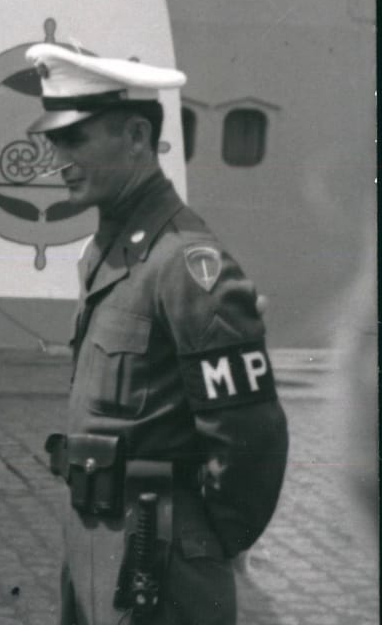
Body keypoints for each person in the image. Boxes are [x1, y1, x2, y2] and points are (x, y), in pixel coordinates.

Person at [26, 43, 289, 625]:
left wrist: (202, 544)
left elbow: (250, 435)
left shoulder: (187, 264)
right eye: (54, 141)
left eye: (74, 140)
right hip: (98, 543)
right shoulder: (110, 251)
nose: (57, 159)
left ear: (138, 137)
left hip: (161, 555)